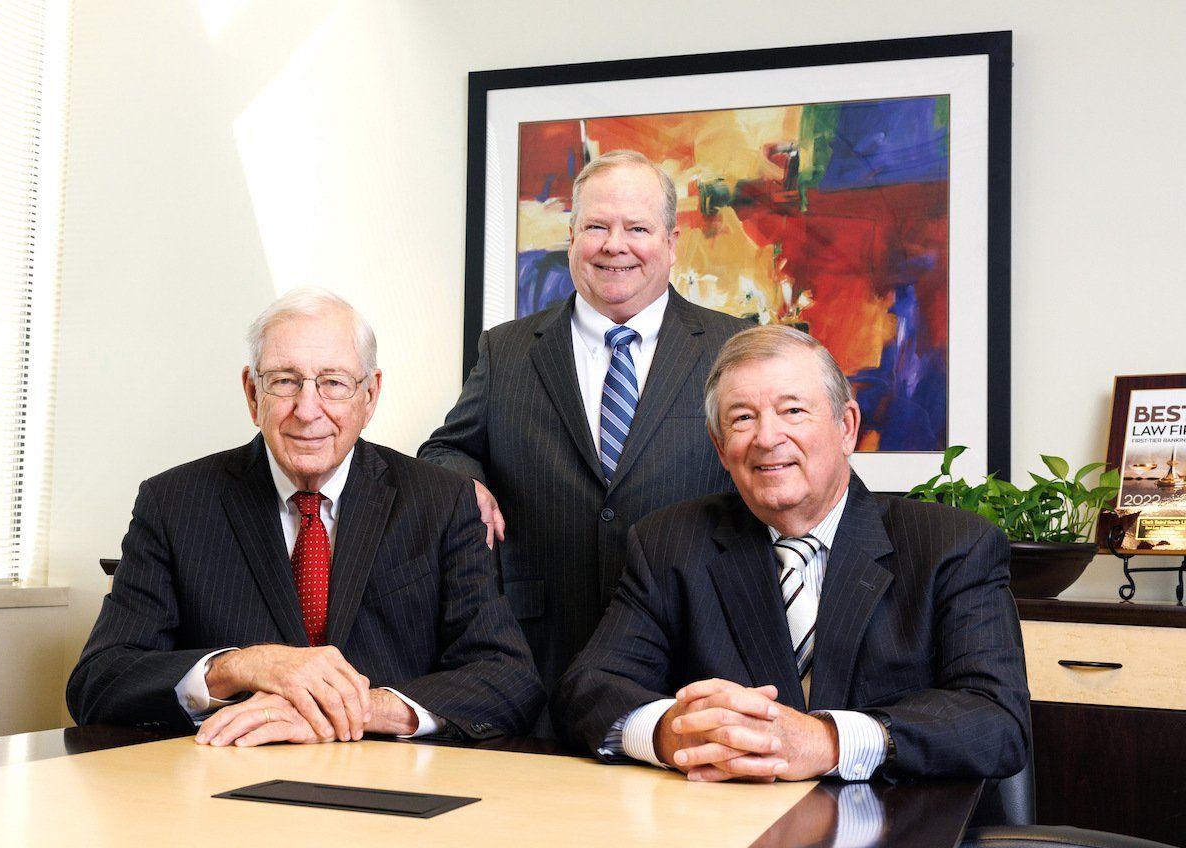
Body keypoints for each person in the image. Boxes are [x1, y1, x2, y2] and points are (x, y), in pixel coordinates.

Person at [551, 324, 1029, 783]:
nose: (766, 438)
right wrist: (669, 733)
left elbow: (996, 722)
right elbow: (587, 690)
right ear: (721, 448)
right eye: (742, 418)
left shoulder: (952, 546)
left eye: (793, 411)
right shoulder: (668, 545)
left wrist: (825, 741)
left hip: (896, 830)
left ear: (847, 427)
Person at [67, 289, 544, 746]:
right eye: (285, 381)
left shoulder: (441, 503)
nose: (308, 409)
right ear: (253, 394)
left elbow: (508, 679)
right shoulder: (173, 503)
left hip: (390, 798)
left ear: (370, 395)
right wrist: (239, 667)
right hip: (225, 795)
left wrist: (350, 709)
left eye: (334, 383)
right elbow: (99, 682)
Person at [418, 150, 750, 703]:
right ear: (572, 237)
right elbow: (445, 449)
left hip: (693, 657)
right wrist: (463, 482)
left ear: (671, 244)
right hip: (538, 659)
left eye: (636, 228)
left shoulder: (733, 347)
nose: (614, 244)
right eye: (596, 226)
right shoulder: (510, 349)